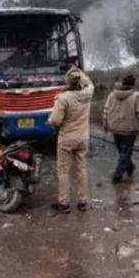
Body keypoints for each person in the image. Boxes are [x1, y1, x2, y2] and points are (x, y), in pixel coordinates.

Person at [48, 67, 94, 213]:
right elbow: (89, 82)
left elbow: (56, 121)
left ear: (67, 81)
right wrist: (77, 70)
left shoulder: (63, 98)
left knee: (63, 171)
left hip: (66, 139)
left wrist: (49, 120)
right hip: (83, 138)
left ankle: (64, 203)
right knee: (81, 169)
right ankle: (83, 202)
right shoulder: (88, 93)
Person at [103, 74, 139, 183]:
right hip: (129, 128)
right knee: (126, 151)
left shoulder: (112, 95)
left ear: (122, 83)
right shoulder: (137, 96)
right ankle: (118, 175)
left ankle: (129, 167)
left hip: (115, 127)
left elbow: (106, 109)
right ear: (133, 84)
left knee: (121, 150)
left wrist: (105, 122)